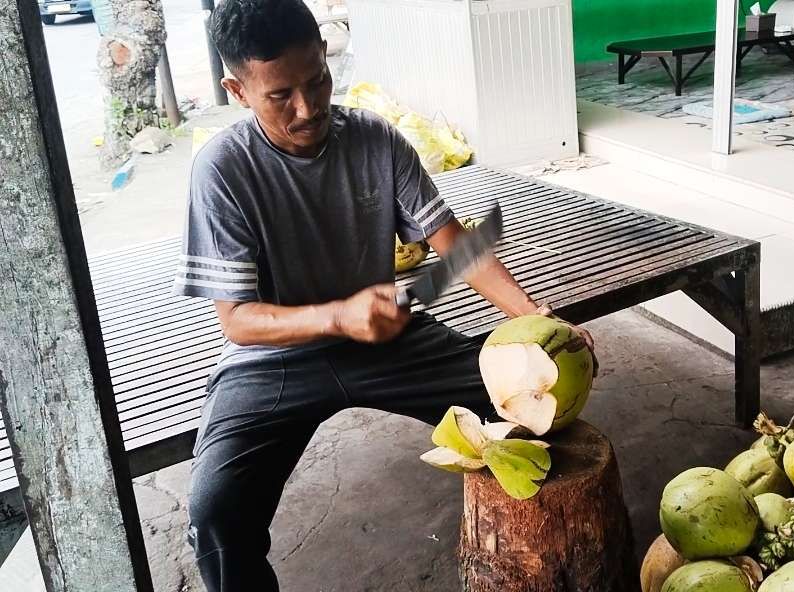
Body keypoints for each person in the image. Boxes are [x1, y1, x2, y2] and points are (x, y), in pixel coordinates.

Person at [175, 0, 593, 589]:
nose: (308, 107)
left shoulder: (374, 138)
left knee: (533, 410)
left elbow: (455, 244)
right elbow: (239, 321)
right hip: (273, 361)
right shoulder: (221, 169)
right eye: (281, 95)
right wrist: (337, 316)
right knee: (216, 515)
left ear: (326, 58)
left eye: (317, 80)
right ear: (238, 91)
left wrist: (537, 319)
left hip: (390, 339)